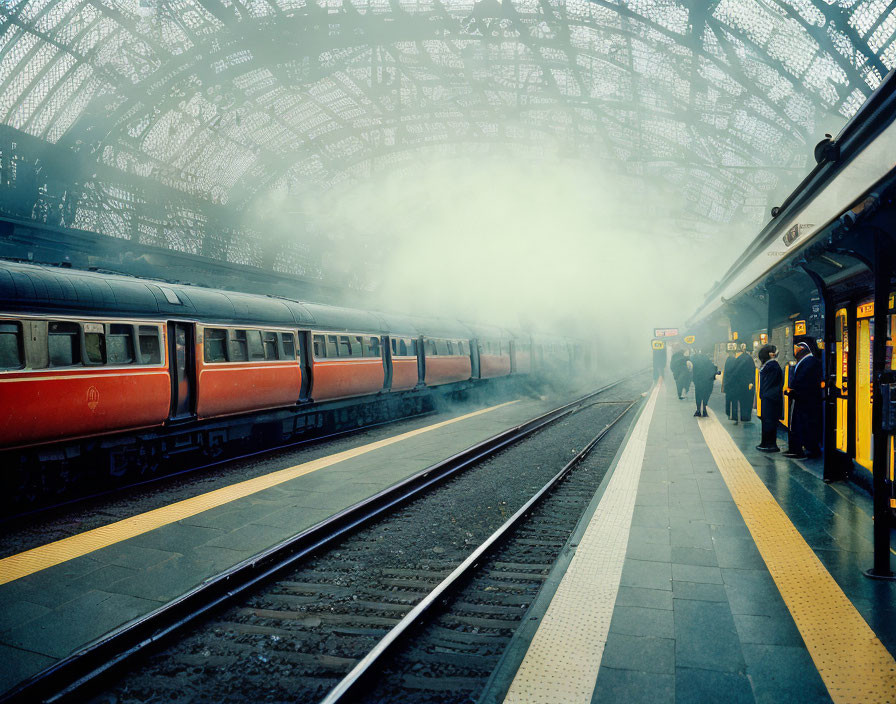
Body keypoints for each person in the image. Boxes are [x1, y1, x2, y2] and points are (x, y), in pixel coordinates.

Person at [784, 339, 823, 459]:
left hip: (806, 401)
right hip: (803, 400)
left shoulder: (810, 362)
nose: (795, 351)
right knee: (800, 425)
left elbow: (805, 382)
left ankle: (805, 450)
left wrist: (794, 391)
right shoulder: (806, 361)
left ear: (803, 349)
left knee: (804, 426)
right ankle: (798, 449)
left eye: (797, 348)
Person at [756, 344, 783, 452]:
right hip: (769, 398)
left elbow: (769, 384)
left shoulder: (772, 366)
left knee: (769, 422)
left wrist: (765, 395)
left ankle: (770, 445)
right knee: (767, 421)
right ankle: (766, 443)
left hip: (771, 399)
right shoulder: (770, 365)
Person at [729, 343, 756, 424]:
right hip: (748, 383)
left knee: (739, 400)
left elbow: (734, 371)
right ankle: (746, 417)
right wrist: (751, 382)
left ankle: (737, 417)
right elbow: (752, 371)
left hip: (739, 383)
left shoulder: (738, 359)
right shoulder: (750, 359)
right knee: (747, 401)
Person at [688, 350, 719, 417]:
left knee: (698, 395)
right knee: (705, 396)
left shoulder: (695, 360)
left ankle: (698, 410)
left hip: (698, 382)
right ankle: (704, 409)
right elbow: (713, 370)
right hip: (707, 383)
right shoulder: (708, 362)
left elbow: (692, 370)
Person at [721, 346, 737, 418]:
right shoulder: (735, 361)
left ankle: (728, 412)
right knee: (734, 400)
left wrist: (724, 383)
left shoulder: (728, 360)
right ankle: (733, 415)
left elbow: (726, 373)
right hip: (733, 383)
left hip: (728, 383)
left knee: (728, 399)